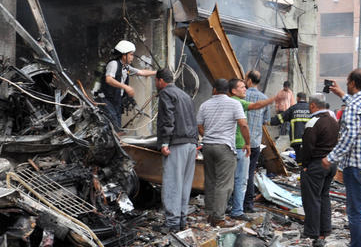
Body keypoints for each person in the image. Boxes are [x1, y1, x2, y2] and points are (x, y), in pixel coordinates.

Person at [322, 68, 361, 247]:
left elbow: (349, 139)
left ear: (353, 83)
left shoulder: (353, 107)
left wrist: (330, 158)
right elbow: (357, 104)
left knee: (354, 211)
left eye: (347, 83)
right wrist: (340, 93)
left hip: (357, 166)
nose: (346, 86)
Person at [197, 79, 249, 227]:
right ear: (227, 91)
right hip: (225, 147)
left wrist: (208, 135)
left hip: (207, 146)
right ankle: (218, 218)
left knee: (210, 180)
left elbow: (199, 125)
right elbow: (243, 124)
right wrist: (248, 143)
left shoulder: (205, 104)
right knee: (224, 184)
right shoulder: (235, 104)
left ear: (214, 90)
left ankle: (210, 213)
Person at [156, 68, 198, 232]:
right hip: (190, 144)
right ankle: (181, 220)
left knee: (173, 183)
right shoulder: (185, 95)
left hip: (176, 143)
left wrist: (165, 142)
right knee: (184, 184)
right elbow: (192, 120)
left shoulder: (166, 93)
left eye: (156, 81)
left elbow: (168, 117)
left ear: (160, 81)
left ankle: (172, 223)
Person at [228, 78, 275, 221]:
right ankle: (239, 208)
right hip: (244, 145)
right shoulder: (238, 102)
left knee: (230, 178)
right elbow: (257, 115)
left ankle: (230, 206)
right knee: (243, 178)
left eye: (245, 87)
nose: (245, 90)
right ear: (233, 91)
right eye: (242, 87)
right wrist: (274, 98)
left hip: (231, 145)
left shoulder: (226, 102)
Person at [300, 93, 339, 247]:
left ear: (313, 106)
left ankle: (313, 233)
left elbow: (308, 146)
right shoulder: (333, 121)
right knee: (324, 197)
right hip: (331, 164)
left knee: (312, 200)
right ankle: (325, 230)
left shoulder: (313, 122)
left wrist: (305, 164)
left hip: (316, 164)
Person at [100, 40, 156, 129]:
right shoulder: (113, 64)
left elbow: (141, 72)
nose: (132, 57)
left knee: (117, 126)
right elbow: (109, 79)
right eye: (131, 54)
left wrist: (157, 72)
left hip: (116, 100)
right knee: (113, 126)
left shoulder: (126, 67)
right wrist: (125, 87)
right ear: (123, 54)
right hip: (106, 100)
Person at [242, 71, 271, 214]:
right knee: (250, 172)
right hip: (255, 143)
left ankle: (235, 204)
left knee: (237, 174)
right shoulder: (264, 99)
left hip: (240, 142)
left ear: (248, 80)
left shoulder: (241, 97)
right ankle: (248, 204)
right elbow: (266, 121)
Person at [270, 92, 311, 164]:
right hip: (308, 140)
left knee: (299, 159)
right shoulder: (311, 109)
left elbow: (281, 118)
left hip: (296, 140)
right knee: (307, 159)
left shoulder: (293, 108)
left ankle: (301, 170)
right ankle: (305, 170)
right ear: (306, 99)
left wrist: (269, 122)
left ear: (297, 98)